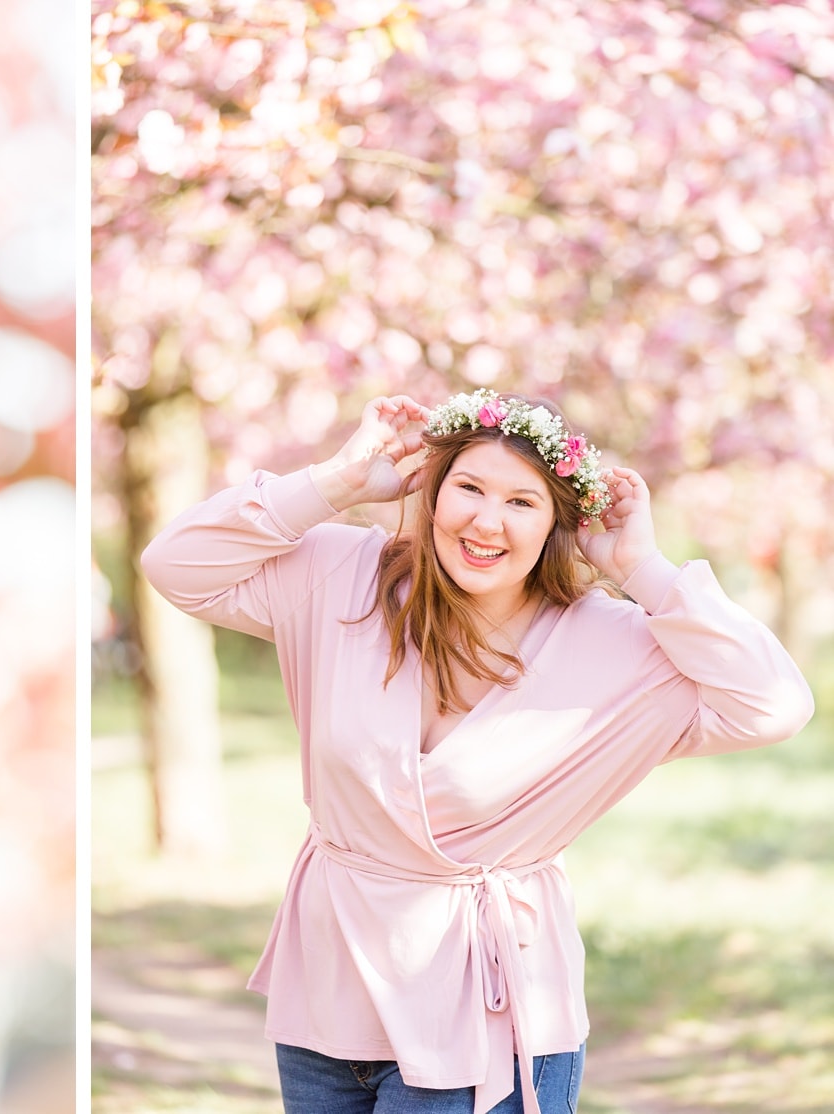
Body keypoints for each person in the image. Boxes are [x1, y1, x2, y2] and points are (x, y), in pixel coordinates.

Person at [138, 390, 814, 1114]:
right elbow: (176, 564)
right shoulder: (344, 576)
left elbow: (775, 703)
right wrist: (335, 483)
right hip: (330, 999)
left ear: (558, 521)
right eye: (469, 487)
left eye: (522, 502)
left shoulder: (615, 646)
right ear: (432, 493)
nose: (487, 521)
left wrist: (642, 567)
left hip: (489, 1010)